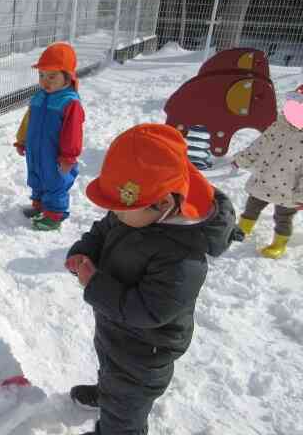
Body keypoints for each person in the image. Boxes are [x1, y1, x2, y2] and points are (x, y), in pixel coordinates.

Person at [65, 124, 242, 435]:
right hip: (117, 331)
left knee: (125, 411)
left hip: (145, 353)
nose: (114, 214)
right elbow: (105, 229)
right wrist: (84, 250)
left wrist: (95, 285)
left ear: (163, 203)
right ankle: (110, 393)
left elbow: (150, 311)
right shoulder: (137, 212)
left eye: (121, 209)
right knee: (110, 367)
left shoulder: (183, 256)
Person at [14, 42, 85, 231]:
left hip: (56, 155)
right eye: (42, 75)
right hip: (36, 150)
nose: (45, 81)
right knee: (36, 176)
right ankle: (40, 206)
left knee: (55, 182)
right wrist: (22, 140)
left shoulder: (69, 103)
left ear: (67, 76)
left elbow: (73, 133)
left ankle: (54, 214)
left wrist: (68, 156)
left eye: (52, 76)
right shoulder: (39, 97)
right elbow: (28, 121)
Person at [234, 84, 303, 258]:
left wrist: (301, 195)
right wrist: (244, 158)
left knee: (283, 218)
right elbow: (260, 144)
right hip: (263, 179)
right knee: (251, 206)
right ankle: (242, 228)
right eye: (294, 105)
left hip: (288, 190)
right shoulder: (279, 126)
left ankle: (279, 243)